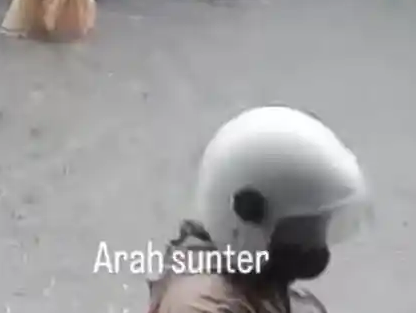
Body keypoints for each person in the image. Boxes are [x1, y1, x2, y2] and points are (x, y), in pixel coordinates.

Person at [148, 106, 369, 313]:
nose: (314, 242)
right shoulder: (199, 304)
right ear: (247, 215)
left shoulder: (262, 287)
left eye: (319, 223)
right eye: (304, 227)